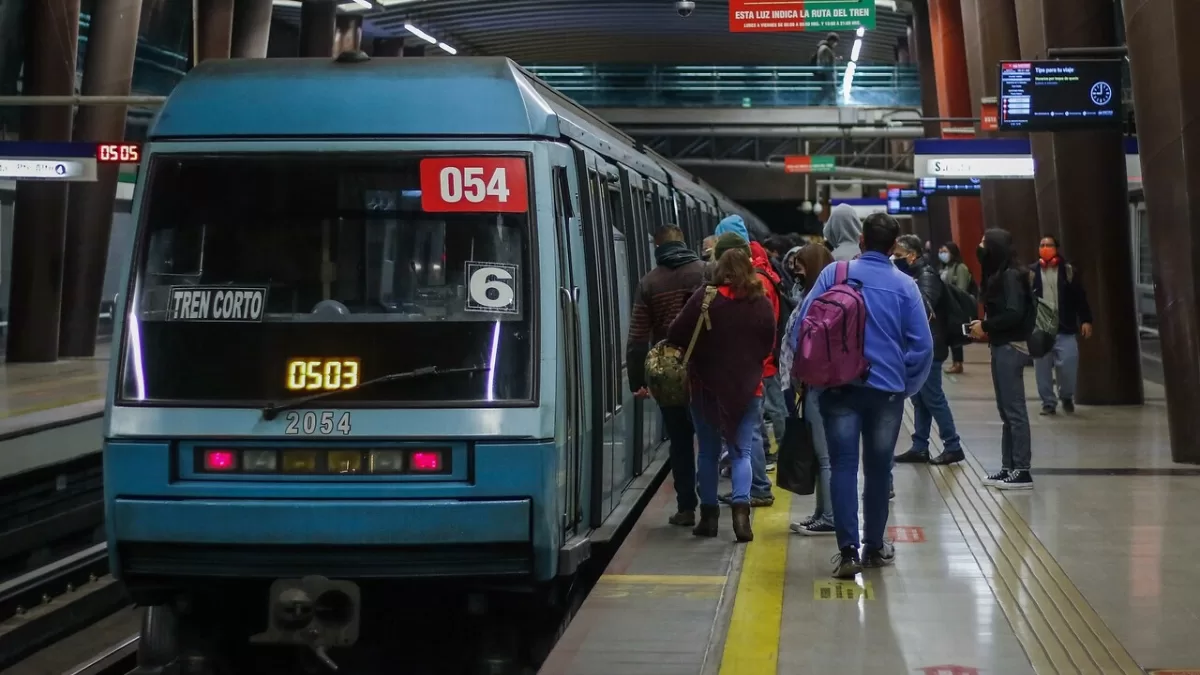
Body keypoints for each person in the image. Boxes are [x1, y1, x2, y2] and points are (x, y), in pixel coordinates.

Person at [796, 213, 933, 578]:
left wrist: (812, 378)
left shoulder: (834, 274)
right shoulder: (905, 286)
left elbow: (803, 327)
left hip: (838, 390)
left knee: (842, 466)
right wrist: (906, 387)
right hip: (886, 392)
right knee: (877, 470)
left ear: (861, 241)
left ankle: (847, 552)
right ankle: (874, 545)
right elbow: (922, 348)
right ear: (893, 247)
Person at [666, 234, 776, 542]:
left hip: (706, 390)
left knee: (709, 453)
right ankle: (742, 517)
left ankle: (709, 517)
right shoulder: (761, 302)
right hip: (747, 390)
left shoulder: (706, 298)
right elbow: (769, 342)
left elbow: (675, 333)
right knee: (741, 452)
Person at [626, 224, 707, 526]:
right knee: (710, 439)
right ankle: (710, 505)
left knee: (680, 441)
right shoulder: (705, 272)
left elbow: (637, 339)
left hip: (670, 374)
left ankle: (686, 508)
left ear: (657, 249)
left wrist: (639, 381)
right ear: (684, 243)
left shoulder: (649, 283)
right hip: (705, 369)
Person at [712, 216, 780, 505]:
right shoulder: (759, 282)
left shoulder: (755, 285)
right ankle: (750, 490)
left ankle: (758, 489)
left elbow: (767, 331)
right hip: (754, 370)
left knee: (748, 434)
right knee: (748, 433)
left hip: (751, 373)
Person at [967, 228, 1034, 490]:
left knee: (1014, 411)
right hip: (1001, 345)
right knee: (1006, 410)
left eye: (984, 241)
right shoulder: (1000, 274)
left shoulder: (1010, 276)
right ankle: (1009, 467)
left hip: (1011, 346)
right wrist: (986, 325)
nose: (980, 245)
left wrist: (986, 326)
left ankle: (1023, 470)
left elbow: (1014, 314)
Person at [781, 243, 839, 536]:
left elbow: (800, 339)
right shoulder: (818, 295)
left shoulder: (818, 301)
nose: (796, 273)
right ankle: (821, 512)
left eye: (801, 267)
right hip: (816, 383)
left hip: (818, 384)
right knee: (821, 455)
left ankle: (829, 516)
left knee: (826, 456)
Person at [892, 235, 964, 466]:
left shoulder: (926, 275)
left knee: (933, 397)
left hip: (930, 345)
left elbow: (923, 306)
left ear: (912, 255)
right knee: (920, 399)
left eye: (899, 255)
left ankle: (953, 445)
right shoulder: (913, 274)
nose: (895, 259)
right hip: (920, 345)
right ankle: (920, 446)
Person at [1030, 235, 1093, 416]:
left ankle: (1066, 395)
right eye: (1042, 245)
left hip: (1064, 327)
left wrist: (1086, 320)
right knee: (1042, 367)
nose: (1045, 248)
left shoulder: (1068, 272)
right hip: (1040, 328)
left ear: (1057, 248)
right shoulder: (1031, 272)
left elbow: (1080, 298)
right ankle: (1048, 402)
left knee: (1068, 363)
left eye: (1049, 245)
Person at [939, 242, 973, 374]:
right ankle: (954, 362)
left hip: (956, 306)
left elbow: (961, 288)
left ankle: (958, 363)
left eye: (945, 251)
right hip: (946, 306)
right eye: (941, 251)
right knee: (950, 334)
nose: (942, 254)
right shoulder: (945, 267)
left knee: (956, 335)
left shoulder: (961, 267)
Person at [812, 33, 840, 105]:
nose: (835, 44)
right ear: (831, 41)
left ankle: (814, 105)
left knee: (824, 92)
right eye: (835, 42)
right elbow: (825, 63)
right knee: (829, 91)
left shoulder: (824, 48)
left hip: (826, 75)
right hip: (827, 75)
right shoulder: (825, 49)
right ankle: (833, 106)